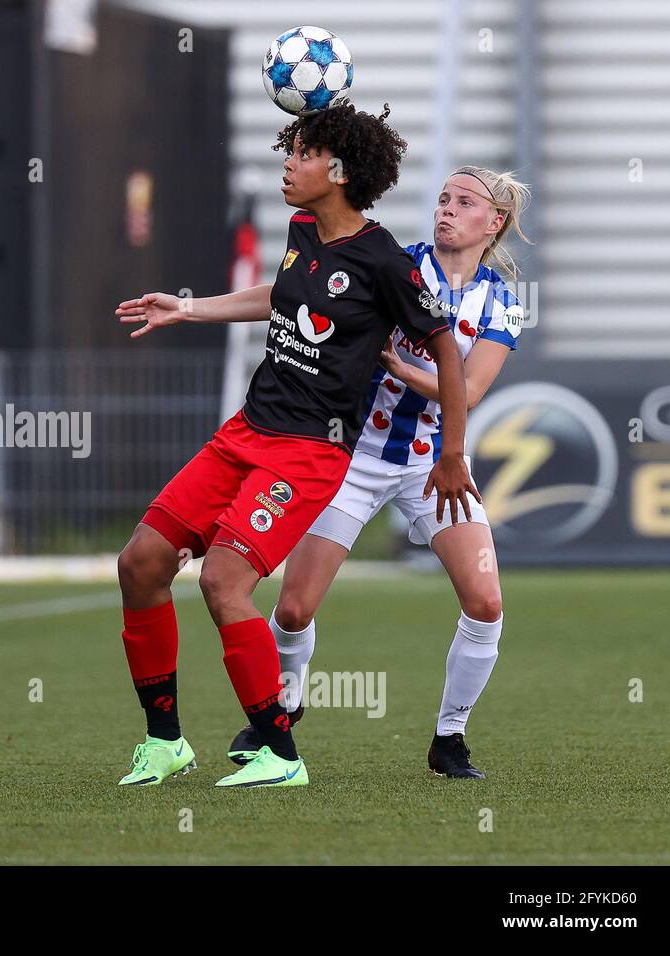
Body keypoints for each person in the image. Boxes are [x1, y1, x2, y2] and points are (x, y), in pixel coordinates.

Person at [113, 102, 478, 789]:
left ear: (338, 172)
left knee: (225, 581)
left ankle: (280, 753)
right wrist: (190, 307)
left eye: (302, 152)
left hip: (310, 452)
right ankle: (165, 743)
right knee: (140, 563)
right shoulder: (302, 228)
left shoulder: (386, 263)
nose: (288, 161)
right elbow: (282, 296)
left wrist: (452, 453)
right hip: (245, 434)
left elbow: (447, 356)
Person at [227, 166, 531, 779]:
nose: (447, 209)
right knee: (291, 610)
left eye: (464, 202)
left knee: (487, 601)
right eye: (443, 198)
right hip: (351, 456)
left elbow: (465, 394)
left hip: (436, 464)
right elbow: (291, 297)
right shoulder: (395, 264)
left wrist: (394, 359)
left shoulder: (502, 301)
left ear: (492, 223)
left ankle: (449, 737)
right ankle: (286, 703)